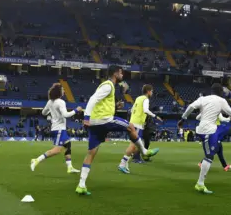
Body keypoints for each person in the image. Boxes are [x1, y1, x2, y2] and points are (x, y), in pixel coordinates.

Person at [75, 65, 159, 196]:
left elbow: (100, 103)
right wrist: (86, 117)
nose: (122, 75)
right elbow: (93, 99)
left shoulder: (109, 87)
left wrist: (115, 106)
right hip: (104, 120)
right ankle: (144, 151)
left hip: (95, 123)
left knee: (91, 153)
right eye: (121, 73)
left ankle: (81, 185)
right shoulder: (108, 85)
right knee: (131, 127)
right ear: (115, 74)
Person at [179, 83, 231, 194]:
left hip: (204, 129)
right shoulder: (221, 101)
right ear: (220, 92)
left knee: (211, 153)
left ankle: (201, 183)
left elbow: (191, 107)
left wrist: (183, 119)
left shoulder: (203, 98)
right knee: (209, 155)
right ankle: (200, 184)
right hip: (208, 130)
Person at [30, 83, 83, 174]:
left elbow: (43, 113)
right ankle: (36, 160)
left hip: (56, 128)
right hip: (59, 129)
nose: (64, 91)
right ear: (58, 92)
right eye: (62, 90)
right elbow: (66, 115)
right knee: (57, 150)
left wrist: (53, 113)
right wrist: (76, 110)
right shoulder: (61, 102)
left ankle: (69, 167)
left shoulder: (50, 102)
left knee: (68, 145)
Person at [121, 84, 162, 171]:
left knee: (134, 145)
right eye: (152, 91)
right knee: (133, 145)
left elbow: (132, 110)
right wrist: (155, 116)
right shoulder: (145, 99)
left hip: (132, 122)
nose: (152, 93)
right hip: (137, 124)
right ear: (148, 91)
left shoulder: (138, 98)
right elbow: (146, 110)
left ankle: (125, 163)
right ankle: (123, 164)